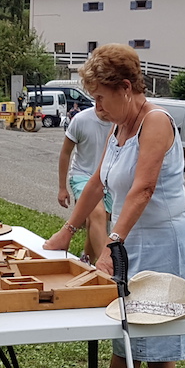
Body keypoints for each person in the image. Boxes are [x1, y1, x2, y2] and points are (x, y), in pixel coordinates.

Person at [44, 43, 185, 368]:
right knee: (150, 326)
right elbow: (97, 182)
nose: (95, 107)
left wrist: (113, 242)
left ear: (126, 87)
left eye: (99, 97)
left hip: (161, 238)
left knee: (137, 329)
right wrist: (69, 228)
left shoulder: (156, 122)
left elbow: (143, 188)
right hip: (133, 235)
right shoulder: (118, 126)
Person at [57, 98, 114, 259]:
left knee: (96, 222)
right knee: (96, 213)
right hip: (82, 175)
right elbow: (65, 153)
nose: (100, 105)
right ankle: (108, 269)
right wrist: (62, 188)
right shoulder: (81, 120)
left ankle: (86, 259)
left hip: (107, 180)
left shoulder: (119, 124)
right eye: (97, 100)